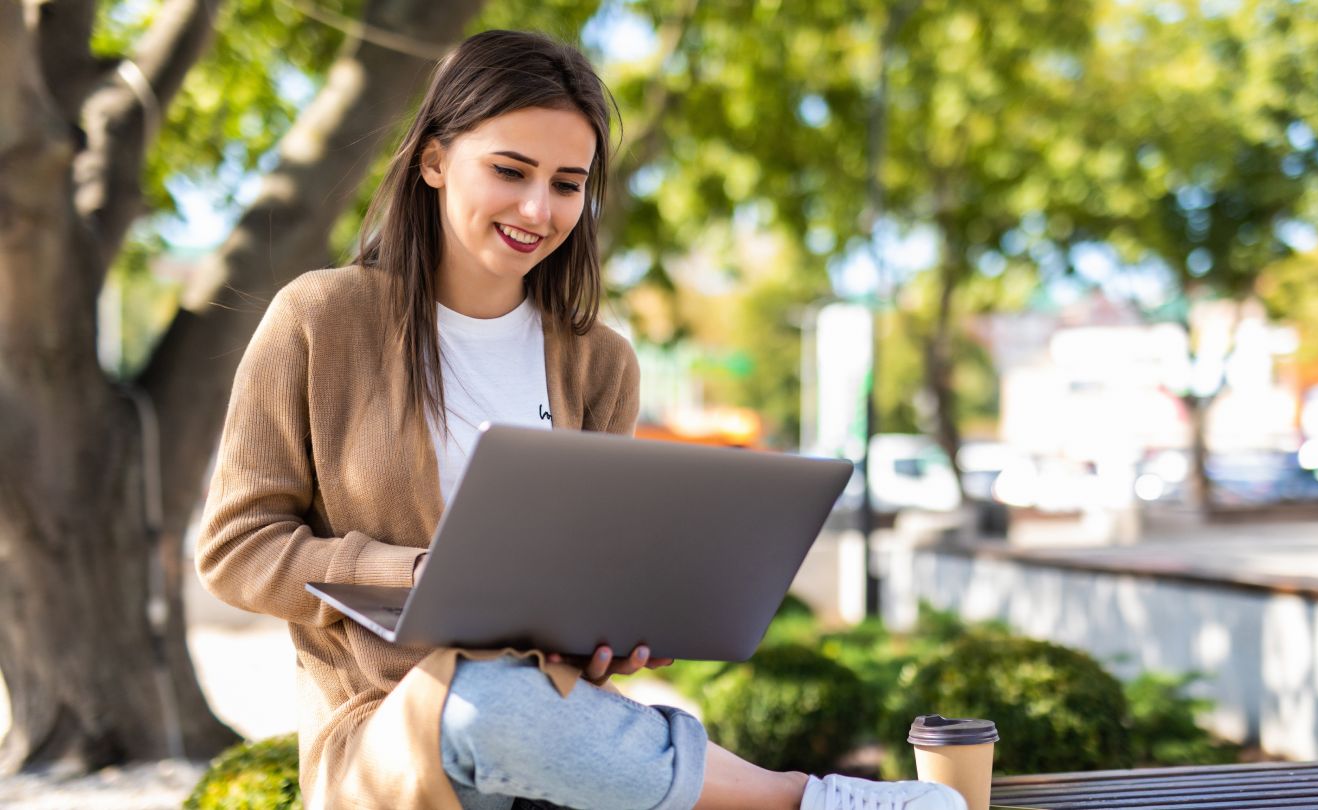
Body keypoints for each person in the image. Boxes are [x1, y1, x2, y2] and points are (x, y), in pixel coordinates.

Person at [197, 30, 965, 810]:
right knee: (484, 701)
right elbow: (235, 548)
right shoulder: (320, 320)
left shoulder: (600, 361)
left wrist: (611, 631)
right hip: (397, 732)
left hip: (552, 717)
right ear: (432, 160)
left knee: (518, 701)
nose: (539, 208)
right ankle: (803, 799)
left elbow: (587, 566)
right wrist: (412, 576)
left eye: (568, 183)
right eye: (510, 170)